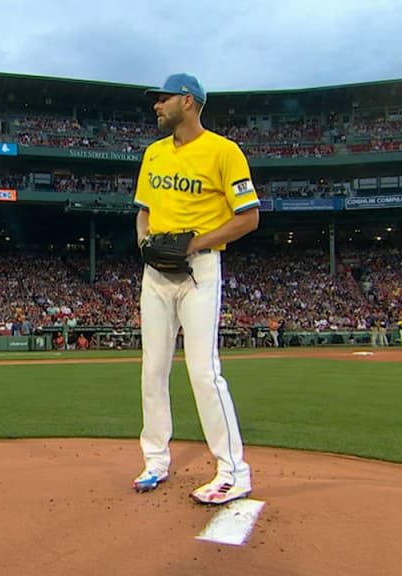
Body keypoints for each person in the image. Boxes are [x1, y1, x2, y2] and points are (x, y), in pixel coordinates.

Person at [131, 73, 260, 505]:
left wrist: (193, 243)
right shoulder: (153, 154)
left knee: (203, 371)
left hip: (198, 270)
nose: (156, 105)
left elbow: (248, 217)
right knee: (153, 369)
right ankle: (155, 459)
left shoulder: (224, 151)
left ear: (188, 102)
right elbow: (144, 211)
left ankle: (233, 471)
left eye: (163, 98)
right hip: (156, 275)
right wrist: (145, 242)